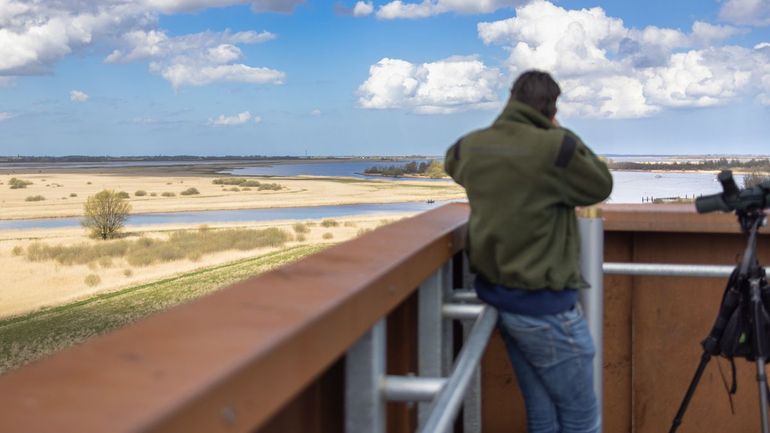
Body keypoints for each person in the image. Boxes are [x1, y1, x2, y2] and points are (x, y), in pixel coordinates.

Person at [444, 70, 612, 433]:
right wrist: (557, 133)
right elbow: (600, 183)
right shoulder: (555, 146)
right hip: (546, 306)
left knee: (543, 413)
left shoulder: (470, 145)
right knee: (582, 418)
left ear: (510, 98)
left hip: (502, 300)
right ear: (552, 109)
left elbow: (453, 164)